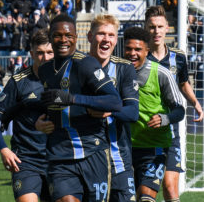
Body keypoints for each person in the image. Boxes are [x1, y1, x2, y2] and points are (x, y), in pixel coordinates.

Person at [36, 14, 122, 202]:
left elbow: (114, 102)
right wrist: (38, 123)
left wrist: (72, 98)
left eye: (69, 35)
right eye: (57, 35)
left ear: (76, 37)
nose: (63, 40)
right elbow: (41, 105)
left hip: (93, 150)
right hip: (60, 154)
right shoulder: (44, 70)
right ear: (50, 38)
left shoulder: (86, 64)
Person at [0, 28, 54, 202]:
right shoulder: (18, 82)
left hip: (58, 159)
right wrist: (4, 150)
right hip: (26, 160)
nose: (45, 58)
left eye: (49, 52)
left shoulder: (64, 80)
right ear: (31, 53)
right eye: (39, 53)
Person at [145, 5, 203, 202]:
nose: (156, 31)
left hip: (171, 131)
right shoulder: (139, 57)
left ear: (167, 28)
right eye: (152, 27)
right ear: (146, 28)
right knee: (145, 192)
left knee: (170, 188)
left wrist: (195, 102)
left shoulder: (178, 57)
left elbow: (183, 83)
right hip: (146, 131)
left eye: (160, 27)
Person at [123, 27, 185, 202]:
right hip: (124, 148)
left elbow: (179, 109)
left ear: (147, 51)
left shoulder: (161, 73)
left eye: (138, 49)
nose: (132, 53)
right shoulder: (116, 72)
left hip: (153, 148)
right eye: (129, 49)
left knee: (146, 198)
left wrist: (165, 119)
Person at [87, 14, 139, 202]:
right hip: (86, 160)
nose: (106, 39)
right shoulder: (77, 67)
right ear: (90, 37)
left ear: (116, 40)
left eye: (111, 35)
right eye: (101, 34)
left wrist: (108, 110)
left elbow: (133, 112)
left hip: (119, 160)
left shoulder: (124, 69)